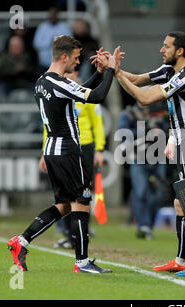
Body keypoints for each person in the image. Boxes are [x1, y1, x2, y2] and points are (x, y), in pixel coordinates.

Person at [7, 35, 121, 274]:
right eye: (77, 58)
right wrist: (110, 70)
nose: (78, 63)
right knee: (82, 201)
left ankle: (21, 241)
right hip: (69, 150)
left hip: (52, 150)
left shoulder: (42, 82)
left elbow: (81, 91)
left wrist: (99, 73)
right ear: (64, 56)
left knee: (64, 205)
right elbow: (96, 97)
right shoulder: (59, 82)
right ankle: (82, 262)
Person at [115, 31, 185, 276]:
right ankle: (183, 259)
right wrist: (117, 70)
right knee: (181, 202)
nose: (161, 50)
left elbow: (144, 98)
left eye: (166, 46)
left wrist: (116, 73)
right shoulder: (168, 71)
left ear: (180, 51)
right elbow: (137, 79)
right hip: (184, 140)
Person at [38, 67, 107, 249]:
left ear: (77, 75)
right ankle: (70, 235)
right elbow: (48, 127)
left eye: (70, 74)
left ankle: (80, 233)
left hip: (85, 146)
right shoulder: (58, 94)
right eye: (65, 75)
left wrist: (99, 148)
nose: (67, 77)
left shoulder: (85, 95)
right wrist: (44, 152)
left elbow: (97, 124)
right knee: (67, 196)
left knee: (84, 194)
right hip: (64, 148)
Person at [117, 101, 168, 240]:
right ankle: (143, 226)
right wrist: (147, 131)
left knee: (158, 194)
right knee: (141, 191)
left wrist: (161, 132)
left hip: (157, 157)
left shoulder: (158, 113)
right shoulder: (129, 114)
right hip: (138, 158)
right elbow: (122, 133)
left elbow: (168, 131)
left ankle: (148, 226)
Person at [33, 7, 72, 74]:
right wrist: (49, 42)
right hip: (44, 65)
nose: (53, 16)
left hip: (61, 64)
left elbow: (71, 43)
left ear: (57, 14)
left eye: (54, 14)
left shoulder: (64, 27)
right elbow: (36, 44)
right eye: (51, 14)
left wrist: (59, 43)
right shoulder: (42, 27)